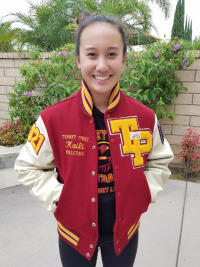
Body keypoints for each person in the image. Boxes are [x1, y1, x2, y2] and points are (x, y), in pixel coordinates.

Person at [15, 11, 174, 267]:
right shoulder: (53, 119)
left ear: (124, 59)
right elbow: (28, 166)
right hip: (74, 235)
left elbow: (159, 163)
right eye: (92, 54)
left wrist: (143, 193)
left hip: (125, 234)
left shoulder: (145, 118)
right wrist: (61, 198)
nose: (102, 65)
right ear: (78, 60)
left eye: (111, 54)